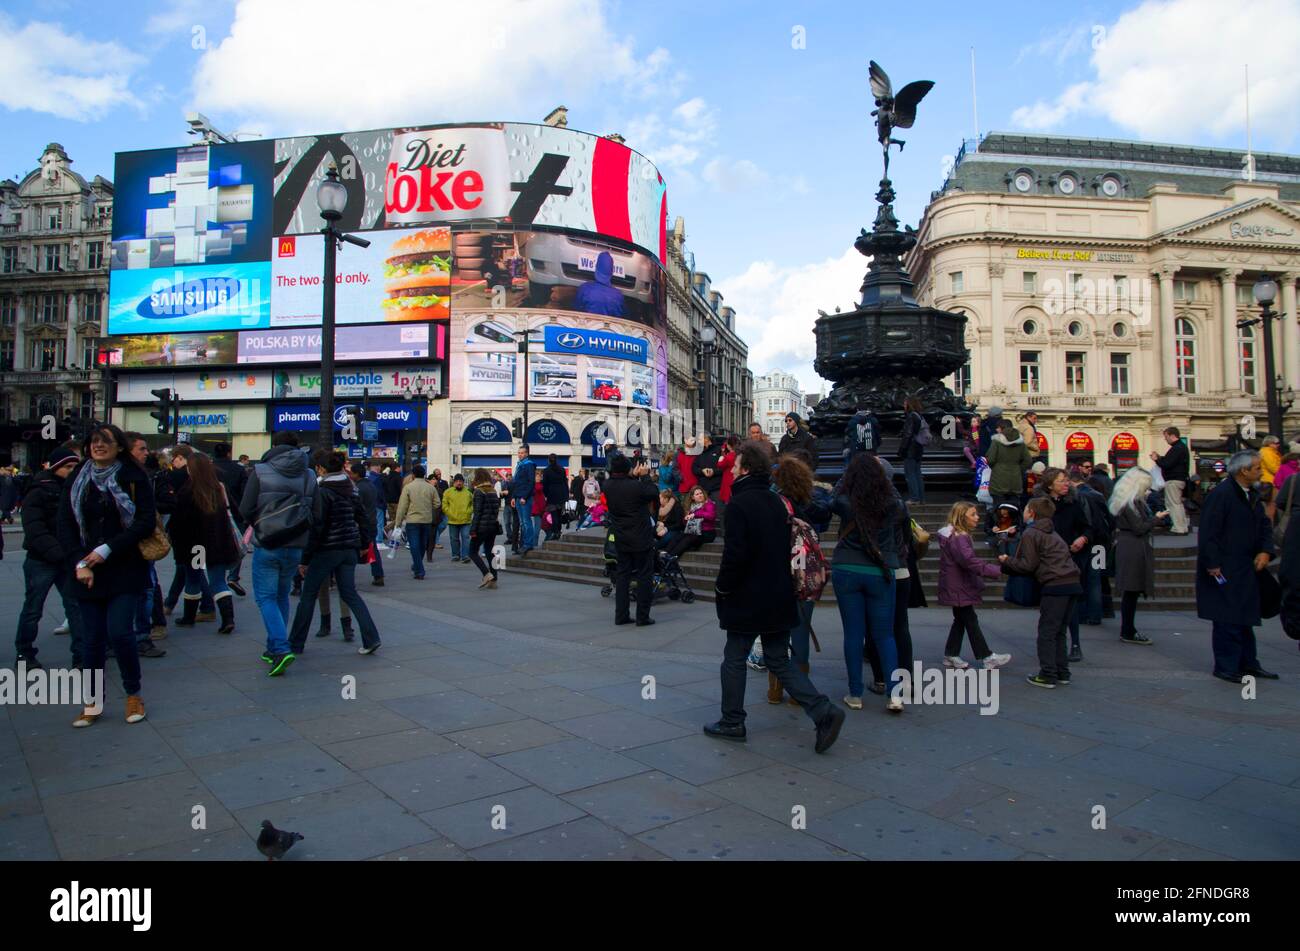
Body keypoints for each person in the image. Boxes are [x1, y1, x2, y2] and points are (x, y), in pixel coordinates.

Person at [704, 441, 846, 752]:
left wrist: (722, 587)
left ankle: (732, 720)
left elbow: (735, 556)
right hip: (779, 593)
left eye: (736, 464)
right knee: (779, 659)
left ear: (744, 469)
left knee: (734, 658)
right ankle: (824, 711)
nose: (732, 469)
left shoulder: (739, 505)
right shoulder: (778, 502)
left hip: (746, 595)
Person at [57, 425, 157, 727]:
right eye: (94, 442)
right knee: (91, 640)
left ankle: (133, 693)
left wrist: (107, 549)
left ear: (119, 447)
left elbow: (144, 522)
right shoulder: (78, 478)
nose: (98, 446)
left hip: (124, 566)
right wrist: (80, 563)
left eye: (106, 442)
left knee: (120, 632)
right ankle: (92, 701)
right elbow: (65, 523)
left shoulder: (134, 476)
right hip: (87, 569)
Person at [830, 453, 906, 712]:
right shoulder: (892, 504)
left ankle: (855, 693)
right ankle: (895, 694)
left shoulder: (846, 502)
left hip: (847, 568)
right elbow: (901, 508)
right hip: (880, 571)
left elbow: (832, 499)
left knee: (853, 634)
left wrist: (848, 474)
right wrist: (883, 475)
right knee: (885, 635)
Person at [287, 450, 381, 658]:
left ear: (321, 469)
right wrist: (365, 543)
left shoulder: (322, 491)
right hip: (349, 548)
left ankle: (295, 643)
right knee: (350, 594)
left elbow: (317, 527)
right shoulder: (351, 488)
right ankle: (371, 637)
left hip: (327, 549)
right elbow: (363, 518)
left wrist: (305, 558)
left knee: (308, 595)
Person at [240, 431, 318, 677]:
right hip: (295, 543)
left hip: (268, 542)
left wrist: (263, 521)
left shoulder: (260, 471)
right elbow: (316, 512)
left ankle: (281, 648)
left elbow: (244, 508)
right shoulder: (309, 474)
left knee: (265, 597)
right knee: (282, 594)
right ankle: (273, 647)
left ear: (274, 446)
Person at [1196, 450, 1277, 684]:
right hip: (1225, 566)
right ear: (1244, 471)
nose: (1261, 471)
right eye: (1257, 467)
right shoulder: (1222, 494)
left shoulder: (1251, 494)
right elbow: (1209, 531)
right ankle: (1226, 665)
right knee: (1227, 618)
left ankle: (1249, 663)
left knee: (1245, 617)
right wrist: (1212, 564)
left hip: (1247, 565)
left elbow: (1264, 526)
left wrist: (1265, 550)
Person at [998, 497, 1083, 688]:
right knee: (1059, 631)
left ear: (1032, 513)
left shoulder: (1032, 533)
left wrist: (1006, 561)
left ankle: (1047, 674)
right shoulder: (1052, 532)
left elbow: (1029, 565)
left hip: (1055, 584)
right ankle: (1062, 671)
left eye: (1027, 508)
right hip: (1072, 582)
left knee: (1047, 632)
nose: (1024, 511)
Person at [770, 454, 832, 704]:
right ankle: (799, 690)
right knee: (801, 628)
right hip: (804, 568)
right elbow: (824, 522)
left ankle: (775, 688)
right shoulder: (812, 501)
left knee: (776, 630)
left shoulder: (774, 501)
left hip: (779, 568)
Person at [15, 447, 84, 670]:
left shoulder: (75, 489)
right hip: (42, 560)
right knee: (34, 608)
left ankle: (81, 656)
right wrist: (59, 553)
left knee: (75, 607)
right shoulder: (38, 491)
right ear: (56, 467)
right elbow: (35, 529)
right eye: (67, 467)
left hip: (67, 559)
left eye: (75, 466)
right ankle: (24, 653)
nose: (72, 471)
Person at [167, 449, 240, 634]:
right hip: (219, 543)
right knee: (218, 581)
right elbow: (235, 512)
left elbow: (179, 523)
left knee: (193, 578)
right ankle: (228, 619)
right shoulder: (218, 488)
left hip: (196, 547)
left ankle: (189, 616)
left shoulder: (187, 491)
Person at [937, 501, 1013, 670]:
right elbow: (969, 561)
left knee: (962, 619)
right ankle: (985, 656)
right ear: (962, 517)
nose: (977, 518)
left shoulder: (951, 536)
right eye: (973, 514)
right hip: (960, 585)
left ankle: (952, 654)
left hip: (955, 583)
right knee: (969, 619)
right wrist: (995, 570)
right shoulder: (959, 537)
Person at [1034, 467, 1093, 662]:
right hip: (1049, 561)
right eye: (1062, 480)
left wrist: (1083, 538)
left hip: (1070, 558)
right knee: (1051, 609)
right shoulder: (1041, 505)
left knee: (1070, 605)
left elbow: (1087, 526)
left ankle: (1074, 644)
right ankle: (1053, 649)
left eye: (1067, 480)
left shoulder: (1073, 503)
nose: (1066, 483)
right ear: (1050, 484)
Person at [1109, 467, 1165, 646]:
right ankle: (1127, 630)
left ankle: (1128, 629)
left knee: (1131, 591)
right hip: (1132, 547)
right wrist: (1156, 518)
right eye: (1145, 487)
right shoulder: (1129, 504)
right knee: (1131, 590)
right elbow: (1139, 527)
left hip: (1131, 546)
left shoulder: (1127, 502)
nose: (1147, 491)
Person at [603, 454, 660, 626]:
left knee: (623, 577)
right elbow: (652, 493)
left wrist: (633, 476)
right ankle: (642, 616)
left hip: (621, 537)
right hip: (640, 537)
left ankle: (621, 615)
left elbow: (624, 485)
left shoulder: (607, 485)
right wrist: (644, 476)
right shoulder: (636, 486)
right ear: (627, 469)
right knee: (644, 576)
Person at [1072, 469, 1113, 627]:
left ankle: (1083, 614)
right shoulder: (1098, 495)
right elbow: (1108, 519)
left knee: (1083, 577)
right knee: (1097, 579)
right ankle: (1097, 614)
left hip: (1086, 541)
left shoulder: (1078, 496)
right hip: (1101, 543)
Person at [212, 442, 249, 596]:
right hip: (235, 512)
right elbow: (246, 492)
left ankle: (213, 577)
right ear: (229, 453)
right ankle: (233, 575)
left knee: (213, 546)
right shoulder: (239, 470)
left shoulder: (208, 470)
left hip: (211, 516)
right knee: (237, 545)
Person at [986, 418, 1032, 531]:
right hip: (1015, 480)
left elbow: (990, 459)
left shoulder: (997, 441)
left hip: (998, 479)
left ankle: (998, 532)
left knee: (998, 507)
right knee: (1015, 508)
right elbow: (1028, 460)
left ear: (1001, 429)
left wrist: (997, 468)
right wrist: (1017, 468)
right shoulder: (1020, 443)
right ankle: (1015, 530)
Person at [395, 464, 439, 579]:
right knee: (422, 545)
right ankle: (417, 565)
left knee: (414, 545)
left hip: (412, 520)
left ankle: (419, 570)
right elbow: (437, 503)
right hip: (426, 520)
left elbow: (402, 506)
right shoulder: (430, 487)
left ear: (413, 475)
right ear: (424, 475)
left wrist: (398, 522)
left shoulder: (408, 487)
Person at [349, 462, 385, 588]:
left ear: (356, 474)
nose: (350, 475)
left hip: (361, 523)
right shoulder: (371, 485)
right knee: (373, 548)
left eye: (352, 473)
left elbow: (355, 507)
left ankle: (347, 578)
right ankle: (378, 574)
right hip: (372, 521)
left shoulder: (358, 488)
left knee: (353, 551)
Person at [1151, 427, 1191, 535]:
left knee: (1173, 504)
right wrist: (1160, 458)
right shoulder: (1181, 447)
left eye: (1166, 436)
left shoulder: (1176, 448)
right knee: (1177, 504)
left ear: (1172, 435)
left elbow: (1167, 464)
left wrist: (1156, 459)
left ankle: (1178, 528)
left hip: (1174, 480)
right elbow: (1170, 461)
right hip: (1179, 479)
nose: (1165, 439)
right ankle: (1183, 527)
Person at [469, 468, 502, 589]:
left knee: (472, 552)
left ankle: (486, 574)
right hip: (492, 527)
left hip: (482, 527)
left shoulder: (479, 492)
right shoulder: (493, 490)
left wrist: (473, 529)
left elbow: (477, 513)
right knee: (489, 552)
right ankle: (494, 578)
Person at [573, 250, 625, 317]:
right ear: (612, 272)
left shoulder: (584, 289)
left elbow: (575, 312)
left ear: (596, 267)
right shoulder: (619, 296)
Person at [897, 396, 929, 504]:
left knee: (910, 474)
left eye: (905, 403)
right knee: (917, 474)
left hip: (911, 449)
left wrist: (902, 450)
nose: (903, 406)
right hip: (919, 448)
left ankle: (914, 498)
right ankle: (921, 498)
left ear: (909, 404)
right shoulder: (919, 416)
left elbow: (908, 435)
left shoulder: (911, 416)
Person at [510, 445, 538, 555]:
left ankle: (528, 544)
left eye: (522, 453)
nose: (520, 454)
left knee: (526, 522)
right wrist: (513, 497)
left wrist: (524, 497)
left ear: (526, 454)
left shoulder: (529, 465)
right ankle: (523, 545)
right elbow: (516, 483)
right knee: (522, 523)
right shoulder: (520, 465)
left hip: (524, 498)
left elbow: (531, 483)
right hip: (518, 497)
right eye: (519, 453)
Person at [442, 473, 475, 562]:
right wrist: (449, 513)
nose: (459, 483)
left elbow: (473, 504)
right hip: (452, 520)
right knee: (454, 539)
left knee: (466, 538)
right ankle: (455, 555)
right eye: (457, 481)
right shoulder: (448, 492)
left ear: (463, 482)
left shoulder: (468, 492)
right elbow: (444, 505)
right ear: (454, 482)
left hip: (466, 520)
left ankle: (465, 556)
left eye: (460, 481)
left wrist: (469, 512)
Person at [541, 454, 568, 542]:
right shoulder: (562, 469)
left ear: (548, 460)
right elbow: (565, 482)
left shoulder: (546, 470)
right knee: (559, 514)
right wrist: (566, 495)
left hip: (552, 494)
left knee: (554, 514)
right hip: (561, 494)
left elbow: (545, 484)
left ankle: (556, 532)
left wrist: (546, 494)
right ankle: (558, 531)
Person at [692, 434, 724, 504]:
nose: (698, 442)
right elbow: (694, 468)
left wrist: (713, 471)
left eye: (700, 439)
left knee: (719, 513)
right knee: (704, 514)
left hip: (717, 489)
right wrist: (702, 471)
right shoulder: (699, 453)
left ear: (706, 439)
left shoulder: (719, 450)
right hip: (703, 490)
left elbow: (724, 468)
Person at [429, 468, 450, 552]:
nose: (439, 476)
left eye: (440, 474)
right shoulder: (430, 487)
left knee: (444, 524)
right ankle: (435, 541)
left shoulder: (444, 483)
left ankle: (434, 538)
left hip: (442, 508)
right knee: (435, 525)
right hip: (435, 510)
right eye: (437, 474)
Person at [676, 437, 701, 502]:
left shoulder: (697, 454)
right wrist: (681, 478)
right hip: (684, 487)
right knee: (685, 509)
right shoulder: (678, 454)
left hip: (696, 487)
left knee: (697, 509)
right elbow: (674, 468)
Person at [718, 435, 740, 504]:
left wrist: (721, 456)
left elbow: (720, 464)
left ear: (729, 445)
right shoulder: (740, 454)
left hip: (728, 480)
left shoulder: (728, 457)